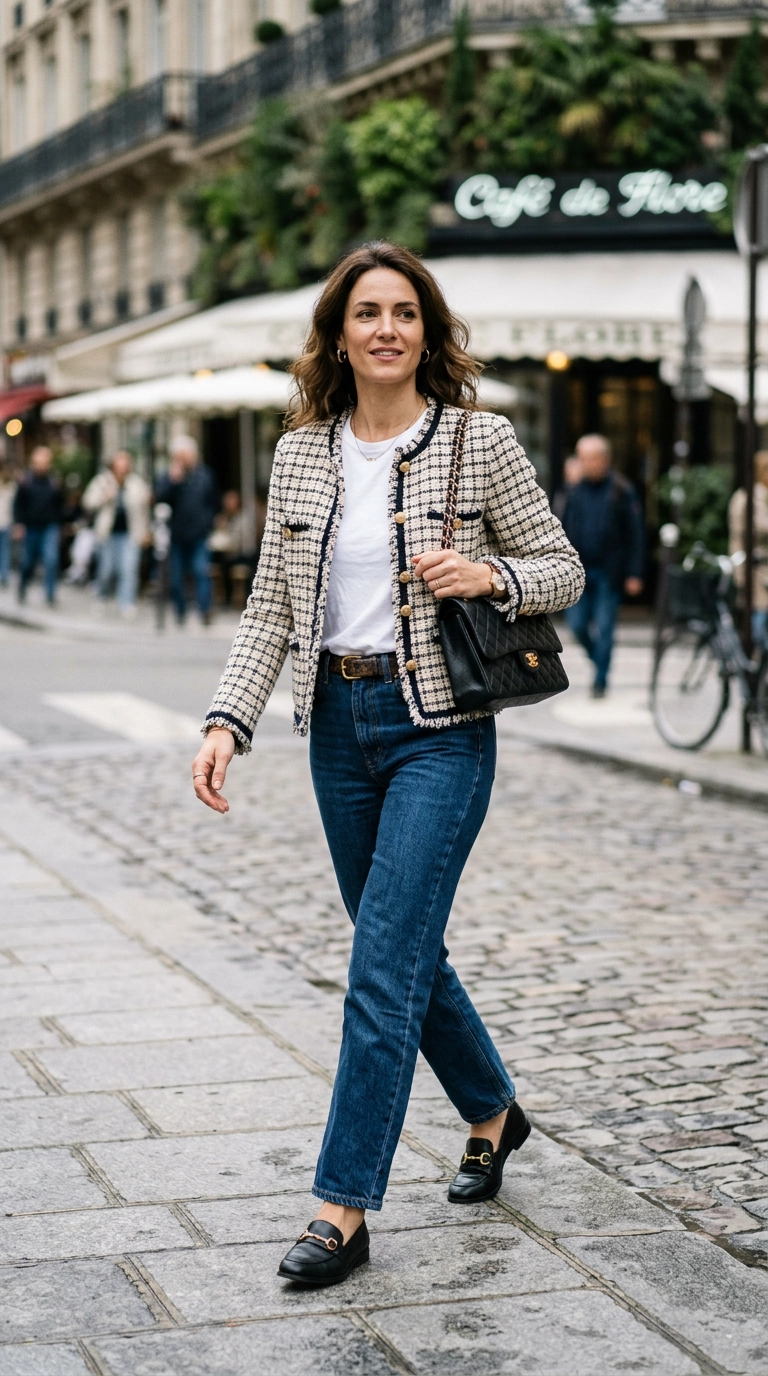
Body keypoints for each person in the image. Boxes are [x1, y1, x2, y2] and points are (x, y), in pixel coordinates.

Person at [191, 242, 584, 1287]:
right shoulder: (303, 455)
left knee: (379, 965)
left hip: (441, 729)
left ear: (427, 329)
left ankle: (341, 1207)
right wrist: (228, 718)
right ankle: (495, 1113)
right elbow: (273, 605)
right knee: (402, 945)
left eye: (403, 312)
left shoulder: (478, 440)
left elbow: (565, 567)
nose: (385, 329)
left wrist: (489, 571)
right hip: (338, 726)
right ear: (339, 334)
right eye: (366, 312)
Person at [561, 433, 644, 697]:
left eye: (591, 458)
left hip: (609, 572)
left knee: (606, 626)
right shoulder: (573, 490)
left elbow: (636, 535)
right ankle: (600, 663)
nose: (585, 464)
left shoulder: (622, 490)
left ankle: (600, 679)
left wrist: (634, 573)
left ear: (605, 460)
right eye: (581, 458)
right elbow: (560, 526)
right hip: (579, 571)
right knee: (576, 625)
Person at [155, 435, 219, 624]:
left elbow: (214, 502)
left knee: (201, 571)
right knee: (176, 576)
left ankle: (204, 610)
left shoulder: (205, 476)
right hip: (177, 535)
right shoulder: (170, 477)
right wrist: (173, 481)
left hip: (199, 534)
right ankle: (180, 610)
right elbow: (159, 497)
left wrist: (208, 522)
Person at [83, 451, 152, 615]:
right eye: (119, 466)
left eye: (125, 466)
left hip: (130, 534)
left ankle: (126, 603)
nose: (122, 470)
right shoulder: (102, 482)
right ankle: (102, 597)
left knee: (129, 569)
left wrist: (147, 531)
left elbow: (144, 511)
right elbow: (87, 502)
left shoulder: (136, 484)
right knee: (106, 569)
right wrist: (103, 497)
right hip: (107, 534)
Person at [13, 446, 64, 606]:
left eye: (45, 462)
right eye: (39, 462)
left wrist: (59, 525)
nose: (42, 466)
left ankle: (50, 595)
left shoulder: (54, 482)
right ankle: (22, 586)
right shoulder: (26, 481)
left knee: (51, 559)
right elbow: (18, 505)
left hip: (49, 526)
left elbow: (60, 505)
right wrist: (19, 524)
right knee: (28, 561)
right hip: (30, 526)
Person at [729, 449, 768, 649]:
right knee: (759, 620)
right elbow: (737, 538)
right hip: (755, 570)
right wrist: (740, 573)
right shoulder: (746, 498)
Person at [208, 490, 256, 605]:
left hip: (243, 554)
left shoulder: (243, 519)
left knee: (225, 563)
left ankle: (231, 598)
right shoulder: (224, 517)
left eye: (231, 501)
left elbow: (243, 541)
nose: (228, 504)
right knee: (216, 562)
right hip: (228, 552)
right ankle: (222, 597)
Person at [0, 458, 17, 587]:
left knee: (5, 550)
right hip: (5, 522)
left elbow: (14, 506)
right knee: (5, 550)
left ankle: (4, 575)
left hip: (5, 522)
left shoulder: (11, 486)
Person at [552, 453, 582, 521]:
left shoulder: (585, 492)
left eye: (575, 468)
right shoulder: (561, 493)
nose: (572, 472)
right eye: (569, 469)